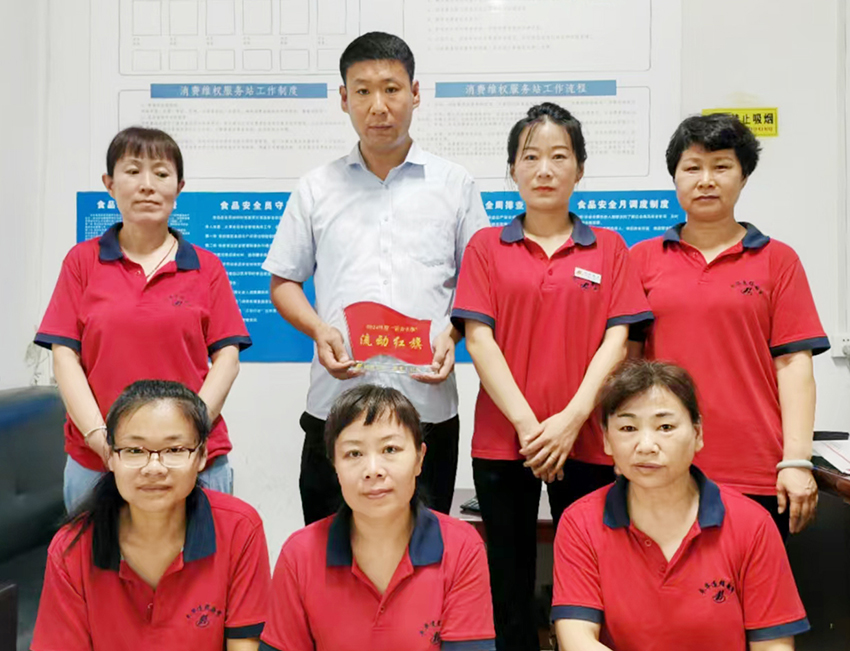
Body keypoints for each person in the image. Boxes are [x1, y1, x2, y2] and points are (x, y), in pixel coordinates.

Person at [262, 32, 489, 523]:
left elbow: (482, 284)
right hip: (335, 403)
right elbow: (284, 281)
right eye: (363, 91)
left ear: (415, 93)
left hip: (426, 405)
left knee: (425, 549)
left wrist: (452, 335)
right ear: (344, 99)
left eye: (391, 89)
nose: (378, 106)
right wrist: (319, 330)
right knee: (329, 547)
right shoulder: (316, 188)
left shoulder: (454, 184)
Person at [451, 102, 653, 651]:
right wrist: (528, 426)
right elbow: (479, 340)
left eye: (559, 156)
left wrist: (569, 421)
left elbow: (619, 340)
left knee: (590, 573)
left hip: (588, 440)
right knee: (509, 579)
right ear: (512, 169)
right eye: (530, 157)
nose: (544, 169)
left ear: (579, 169)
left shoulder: (609, 247)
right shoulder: (486, 246)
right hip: (503, 442)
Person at [629, 114, 829, 538]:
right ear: (675, 177)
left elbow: (794, 365)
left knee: (751, 581)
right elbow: (626, 364)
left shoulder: (778, 260)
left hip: (754, 466)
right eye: (692, 167)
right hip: (661, 463)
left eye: (721, 166)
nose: (706, 180)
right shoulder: (641, 259)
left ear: (743, 176)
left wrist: (796, 461)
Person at [35, 126, 251, 513]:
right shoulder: (82, 262)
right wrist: (100, 437)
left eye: (161, 173)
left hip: (193, 459)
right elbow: (65, 355)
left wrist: (187, 436)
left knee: (203, 553)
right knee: (95, 553)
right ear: (110, 184)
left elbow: (227, 358)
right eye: (133, 171)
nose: (147, 185)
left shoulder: (206, 267)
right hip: (98, 460)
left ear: (179, 187)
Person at [552, 359, 809, 651]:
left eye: (665, 427)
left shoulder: (752, 524)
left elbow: (774, 646)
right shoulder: (580, 522)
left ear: (698, 434)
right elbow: (577, 639)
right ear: (607, 440)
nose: (646, 446)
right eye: (627, 427)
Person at [31, 380, 271, 651]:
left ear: (202, 455)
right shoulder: (71, 549)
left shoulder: (239, 529)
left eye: (175, 450)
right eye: (134, 451)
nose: (154, 468)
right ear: (110, 456)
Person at [259, 384, 495, 651]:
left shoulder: (462, 548)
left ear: (419, 458)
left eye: (390, 449)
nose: (373, 470)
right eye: (354, 453)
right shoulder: (300, 554)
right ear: (335, 466)